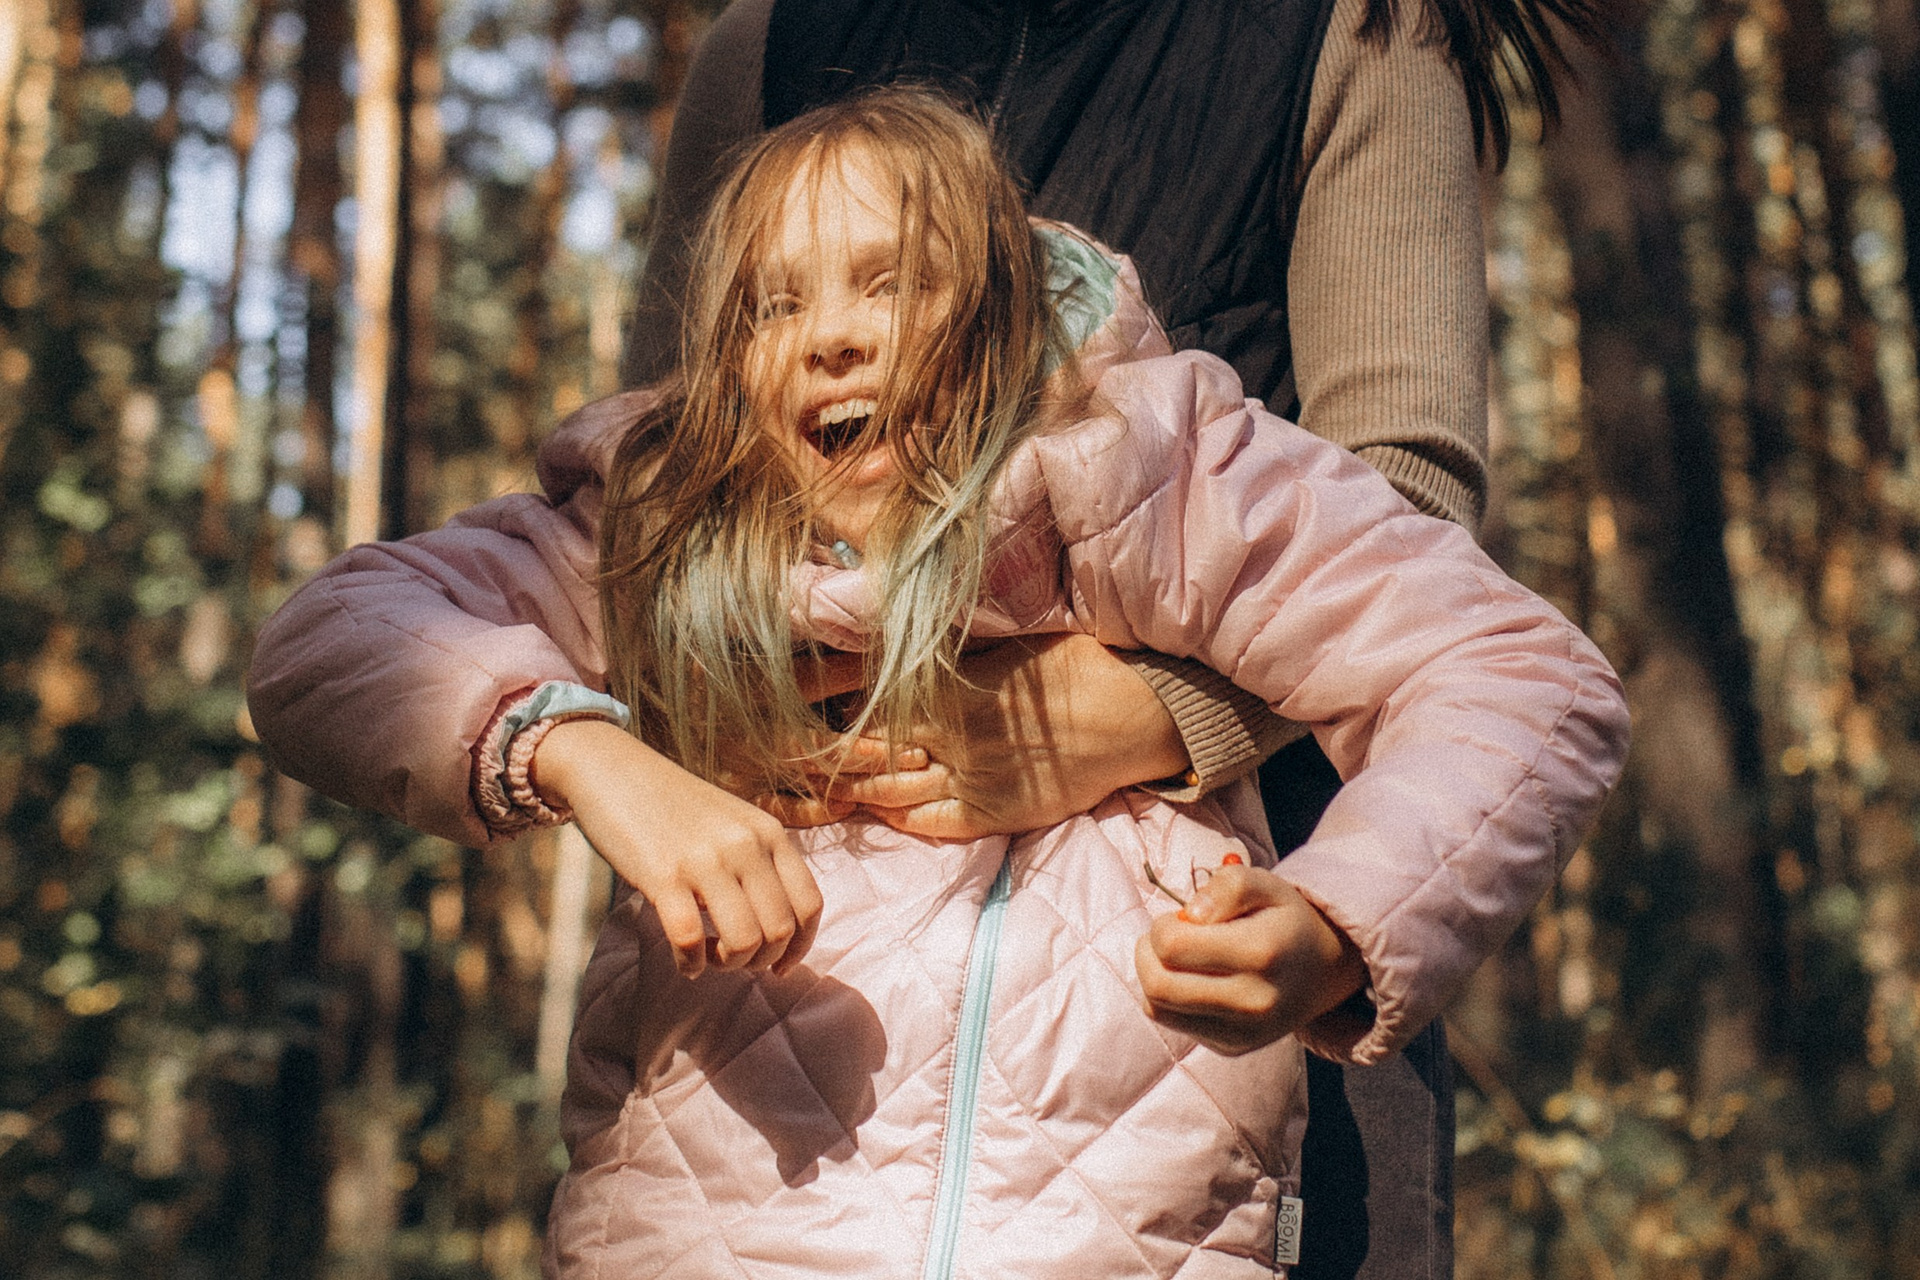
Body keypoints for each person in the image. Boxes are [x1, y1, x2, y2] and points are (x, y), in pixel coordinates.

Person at [249, 88, 1628, 1276]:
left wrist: (1337, 921)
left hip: (1111, 1241)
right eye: (774, 305)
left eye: (892, 282)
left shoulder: (1148, 470)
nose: (832, 337)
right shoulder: (671, 517)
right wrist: (589, 756)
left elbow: (1516, 676)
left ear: (1001, 308)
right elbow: (331, 639)